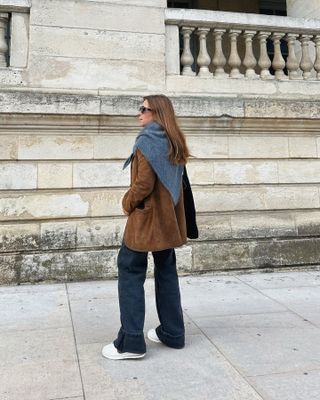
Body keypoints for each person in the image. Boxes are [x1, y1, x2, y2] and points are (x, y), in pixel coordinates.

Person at [102, 94, 190, 360]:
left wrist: (126, 203)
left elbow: (143, 185)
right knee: (166, 271)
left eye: (144, 109)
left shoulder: (146, 141)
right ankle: (173, 334)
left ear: (157, 113)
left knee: (129, 269)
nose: (139, 113)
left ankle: (130, 342)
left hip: (145, 219)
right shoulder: (174, 140)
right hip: (168, 221)